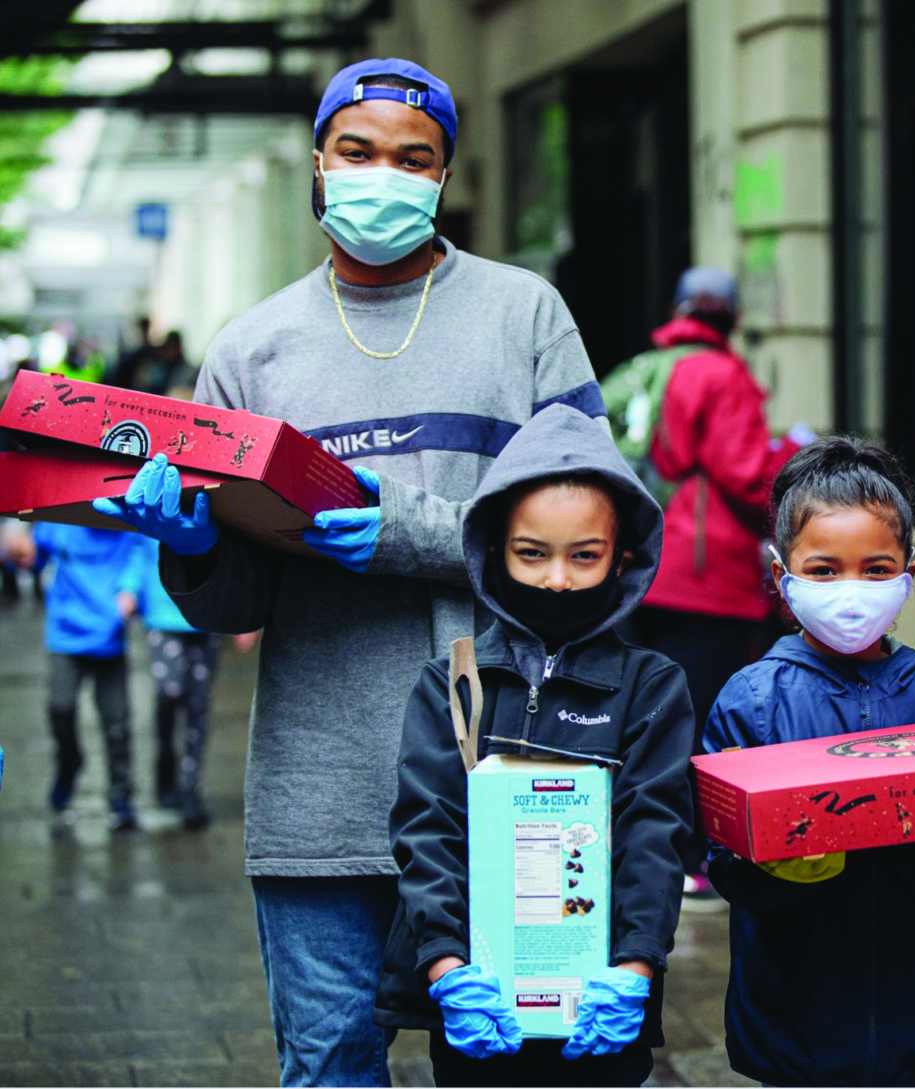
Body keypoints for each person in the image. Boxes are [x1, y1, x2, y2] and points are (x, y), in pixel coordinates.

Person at [92, 57, 604, 1087]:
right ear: (321, 164)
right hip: (318, 795)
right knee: (328, 1067)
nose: (384, 176)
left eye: (413, 159)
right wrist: (188, 545)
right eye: (358, 152)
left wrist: (406, 531)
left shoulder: (524, 316)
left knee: (517, 1069)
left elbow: (595, 542)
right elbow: (241, 600)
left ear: (445, 176)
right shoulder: (252, 351)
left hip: (505, 776)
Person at [703, 437, 915, 1086]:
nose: (851, 590)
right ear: (782, 574)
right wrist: (780, 861)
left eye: (876, 569)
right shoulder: (752, 703)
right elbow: (725, 870)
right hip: (796, 1031)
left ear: (909, 572)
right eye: (825, 570)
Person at [377, 404, 694, 1087]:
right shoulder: (452, 684)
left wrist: (635, 968)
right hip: (477, 1010)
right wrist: (445, 967)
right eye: (532, 553)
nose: (557, 579)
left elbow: (656, 832)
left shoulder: (651, 686)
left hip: (599, 1011)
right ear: (493, 550)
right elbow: (426, 830)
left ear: (624, 556)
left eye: (585, 556)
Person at [604, 266, 804, 905]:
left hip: (651, 567)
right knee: (703, 722)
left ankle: (646, 850)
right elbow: (746, 475)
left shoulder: (652, 368)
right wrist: (794, 459)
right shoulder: (722, 375)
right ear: (734, 317)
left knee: (654, 716)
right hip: (707, 579)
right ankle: (692, 858)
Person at [7, 523, 144, 830]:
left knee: (116, 722)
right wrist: (22, 551)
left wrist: (131, 590)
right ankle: (68, 767)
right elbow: (35, 554)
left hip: (109, 634)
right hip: (65, 635)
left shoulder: (121, 521)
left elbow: (140, 554)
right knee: (60, 707)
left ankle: (121, 798)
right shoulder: (60, 521)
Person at [119, 535, 221, 829]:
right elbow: (137, 546)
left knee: (197, 706)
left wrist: (247, 611)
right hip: (163, 615)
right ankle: (165, 765)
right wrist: (129, 588)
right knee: (169, 693)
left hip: (209, 617)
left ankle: (191, 789)